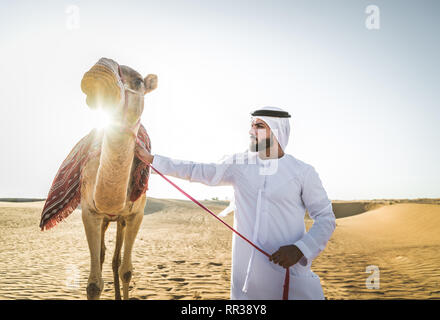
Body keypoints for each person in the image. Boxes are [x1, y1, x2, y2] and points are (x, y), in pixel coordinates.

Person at [136, 106, 336, 300]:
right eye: (251, 125)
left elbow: (326, 218)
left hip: (288, 275)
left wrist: (300, 249)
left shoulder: (303, 172)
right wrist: (153, 160)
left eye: (259, 126)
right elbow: (198, 170)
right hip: (247, 281)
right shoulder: (239, 165)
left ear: (277, 131)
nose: (251, 131)